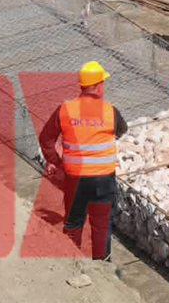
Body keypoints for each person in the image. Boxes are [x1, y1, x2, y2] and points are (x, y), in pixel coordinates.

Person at [37, 60, 127, 261]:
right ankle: (103, 267)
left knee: (73, 223)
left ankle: (72, 262)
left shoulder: (65, 109)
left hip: (75, 178)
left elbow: (46, 138)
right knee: (101, 225)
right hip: (103, 179)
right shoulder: (110, 111)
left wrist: (55, 161)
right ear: (99, 86)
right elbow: (122, 129)